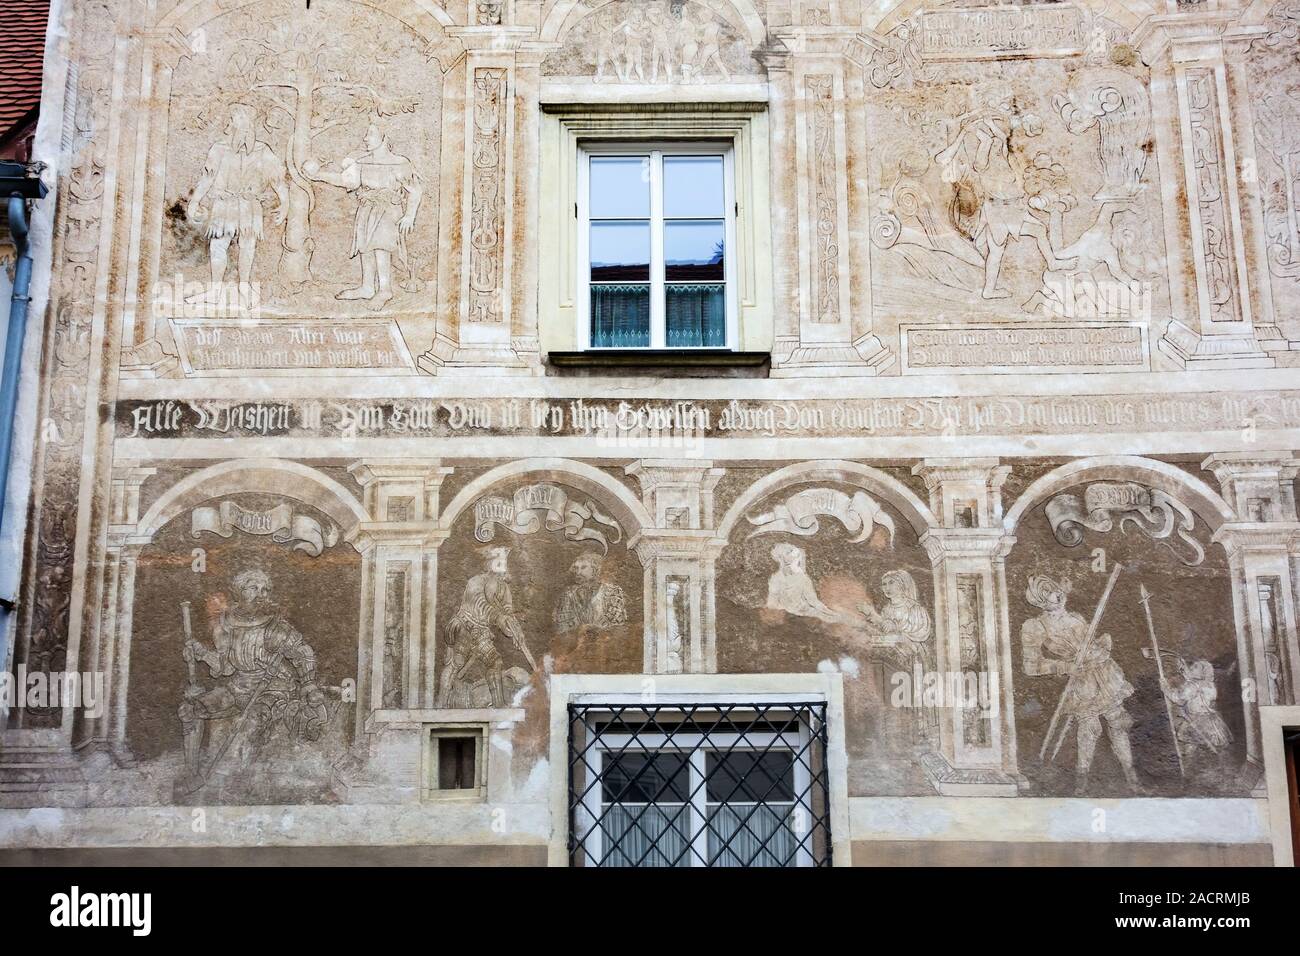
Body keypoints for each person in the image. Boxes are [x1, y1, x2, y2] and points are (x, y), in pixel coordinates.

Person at [177, 569, 324, 791]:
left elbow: (303, 653)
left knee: (252, 724)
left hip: (273, 690)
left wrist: (309, 684)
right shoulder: (226, 625)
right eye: (253, 588)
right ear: (238, 592)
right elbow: (225, 667)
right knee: (189, 710)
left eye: (265, 590)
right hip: (238, 687)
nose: (261, 594)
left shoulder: (275, 627)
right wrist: (201, 653)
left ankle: (241, 783)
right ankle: (192, 774)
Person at [1021, 573, 1143, 794]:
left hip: (1103, 673)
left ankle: (1132, 779)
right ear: (1040, 600)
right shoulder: (1035, 626)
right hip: (1082, 680)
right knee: (1090, 728)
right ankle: (1081, 783)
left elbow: (1091, 644)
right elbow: (1031, 666)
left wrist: (1101, 645)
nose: (1056, 596)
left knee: (1118, 723)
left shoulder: (1076, 618)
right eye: (1048, 594)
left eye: (1056, 590)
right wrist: (1064, 667)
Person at [301, 123, 422, 308]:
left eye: (371, 134)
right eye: (366, 134)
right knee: (365, 247)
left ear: (385, 138)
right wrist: (318, 175)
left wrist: (409, 216)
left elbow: (415, 191)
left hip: (388, 211)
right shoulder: (363, 161)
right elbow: (345, 180)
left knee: (381, 248)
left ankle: (384, 290)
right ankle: (367, 288)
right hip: (367, 210)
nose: (365, 138)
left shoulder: (399, 163)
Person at [187, 104, 287, 310]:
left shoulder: (262, 150)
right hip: (224, 204)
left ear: (243, 122)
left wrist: (285, 202)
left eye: (233, 119)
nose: (229, 124)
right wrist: (195, 201)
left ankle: (244, 287)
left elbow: (277, 180)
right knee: (218, 245)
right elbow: (208, 178)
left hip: (249, 204)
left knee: (248, 245)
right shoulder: (218, 148)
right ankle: (215, 291)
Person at [438, 546, 533, 708]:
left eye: (503, 562)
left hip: (481, 632)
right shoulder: (475, 581)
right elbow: (479, 604)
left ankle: (498, 704)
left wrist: (515, 630)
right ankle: (441, 704)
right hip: (464, 627)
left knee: (494, 662)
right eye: (497, 561)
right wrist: (500, 618)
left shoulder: (504, 587)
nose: (500, 565)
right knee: (455, 664)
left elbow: (507, 611)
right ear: (489, 563)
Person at [1161, 658, 1232, 773]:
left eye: (1195, 667)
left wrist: (1165, 688)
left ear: (1202, 673)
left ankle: (1190, 769)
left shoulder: (1193, 685)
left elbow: (1179, 699)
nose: (1191, 668)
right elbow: (1191, 679)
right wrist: (1183, 668)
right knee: (1206, 746)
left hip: (1197, 720)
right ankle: (1208, 768)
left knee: (1194, 744)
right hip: (1211, 720)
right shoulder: (1209, 684)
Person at [765, 542, 840, 623]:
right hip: (789, 616)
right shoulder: (776, 579)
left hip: (804, 612)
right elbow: (772, 604)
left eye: (797, 557)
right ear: (783, 560)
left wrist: (830, 612)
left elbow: (813, 601)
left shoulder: (802, 578)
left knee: (828, 619)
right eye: (796, 558)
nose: (798, 561)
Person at [555, 551, 628, 633]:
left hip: (605, 642)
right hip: (578, 643)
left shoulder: (613, 592)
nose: (578, 572)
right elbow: (562, 626)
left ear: (595, 569)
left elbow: (618, 624)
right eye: (576, 568)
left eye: (583, 567)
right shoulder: (569, 595)